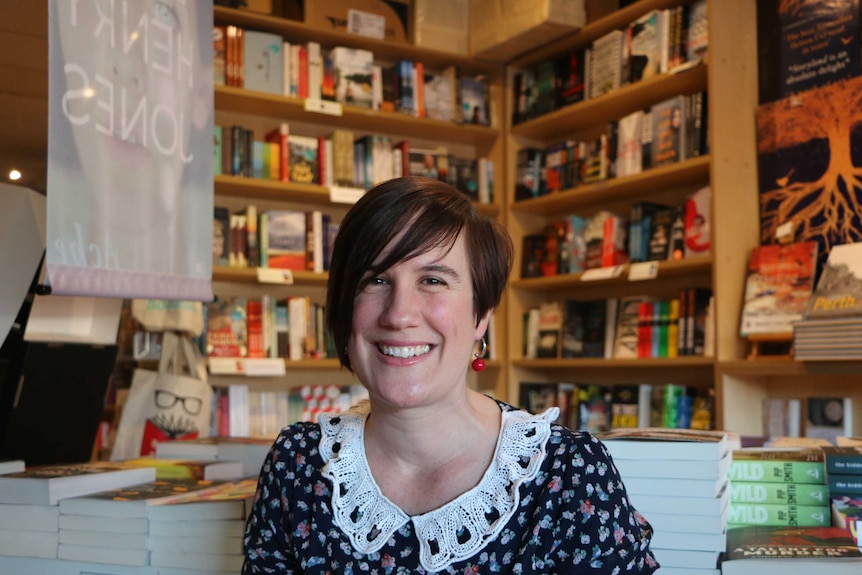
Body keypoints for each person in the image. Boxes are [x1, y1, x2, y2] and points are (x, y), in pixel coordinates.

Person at [242, 177, 659, 574]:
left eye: (433, 279)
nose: (399, 314)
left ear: (482, 315)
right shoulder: (297, 465)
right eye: (376, 280)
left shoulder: (569, 476)